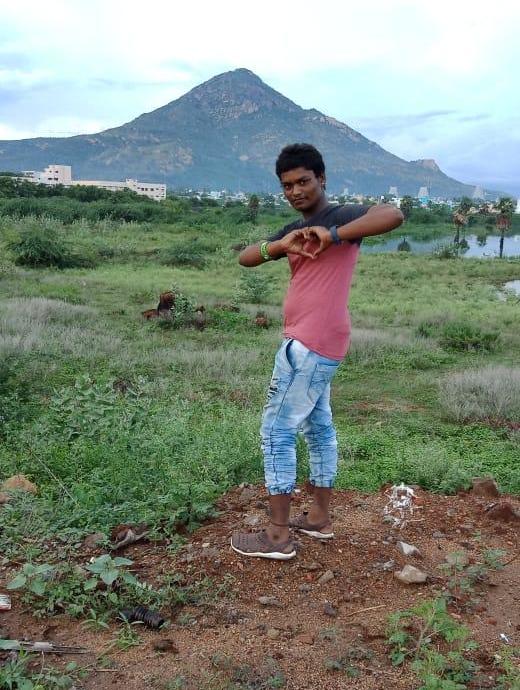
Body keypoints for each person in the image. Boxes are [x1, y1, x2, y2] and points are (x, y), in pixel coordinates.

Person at [231, 143, 403, 560]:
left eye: (303, 181)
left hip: (308, 344)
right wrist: (281, 245)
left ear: (321, 179)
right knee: (318, 426)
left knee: (276, 430)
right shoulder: (295, 228)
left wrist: (334, 235)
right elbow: (246, 258)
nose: (295, 191)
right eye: (287, 185)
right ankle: (319, 517)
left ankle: (276, 536)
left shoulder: (341, 217)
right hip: (319, 340)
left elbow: (393, 214)